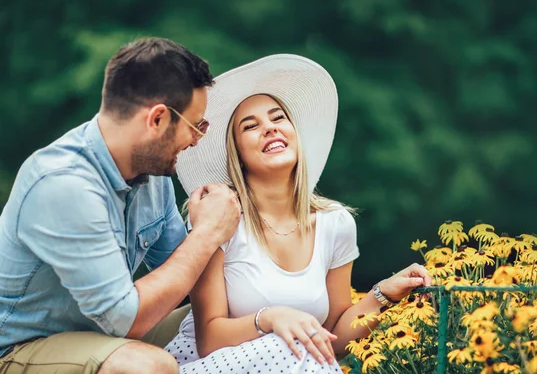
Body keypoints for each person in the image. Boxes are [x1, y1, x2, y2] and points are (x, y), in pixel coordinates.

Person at [167, 54, 433, 373]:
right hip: (210, 364)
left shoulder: (335, 223)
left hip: (294, 364)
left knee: (297, 349)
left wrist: (383, 294)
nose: (269, 129)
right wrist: (270, 318)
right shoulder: (219, 218)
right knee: (286, 346)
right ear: (235, 154)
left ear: (294, 134)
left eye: (278, 118)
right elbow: (209, 339)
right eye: (250, 126)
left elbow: (331, 343)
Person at [0, 38, 241, 374]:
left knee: (236, 319)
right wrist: (207, 234)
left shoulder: (152, 175)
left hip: (100, 336)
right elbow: (124, 319)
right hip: (18, 349)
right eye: (195, 127)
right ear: (157, 119)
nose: (196, 140)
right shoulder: (63, 185)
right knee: (146, 366)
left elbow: (185, 275)